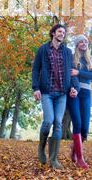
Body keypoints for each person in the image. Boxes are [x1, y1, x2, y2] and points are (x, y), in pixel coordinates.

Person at [32, 24, 79, 169]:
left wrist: (74, 87)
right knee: (48, 121)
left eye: (64, 32)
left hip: (62, 94)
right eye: (59, 32)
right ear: (53, 33)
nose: (62, 34)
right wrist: (36, 88)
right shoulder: (43, 49)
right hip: (47, 92)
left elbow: (72, 72)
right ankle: (41, 147)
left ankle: (53, 159)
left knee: (58, 123)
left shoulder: (67, 52)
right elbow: (35, 69)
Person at [67, 34, 92, 169]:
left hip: (86, 93)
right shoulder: (72, 58)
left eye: (85, 41)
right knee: (77, 123)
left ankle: (74, 148)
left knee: (85, 128)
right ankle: (80, 159)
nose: (83, 43)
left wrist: (78, 72)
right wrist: (72, 88)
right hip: (74, 92)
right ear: (77, 44)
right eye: (81, 42)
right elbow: (68, 74)